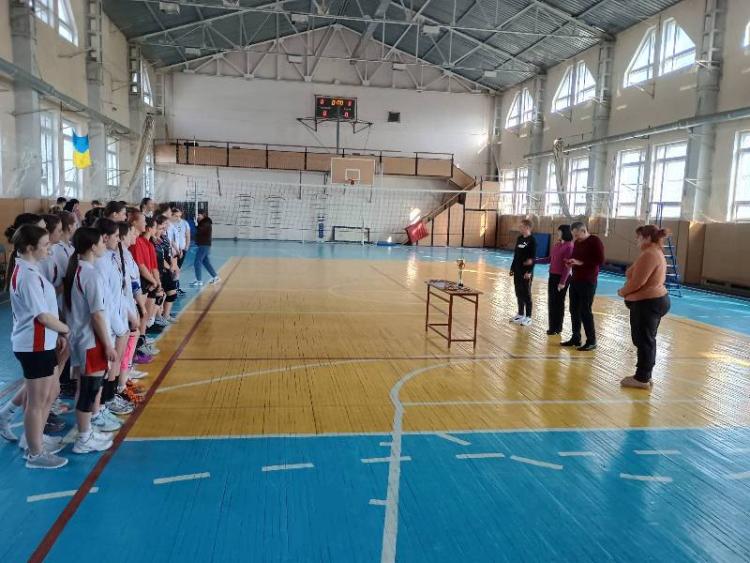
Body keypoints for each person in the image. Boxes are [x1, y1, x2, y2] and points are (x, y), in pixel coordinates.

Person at [7, 225, 70, 469]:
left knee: (49, 394)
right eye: (45, 245)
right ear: (30, 248)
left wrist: (57, 334)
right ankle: (34, 453)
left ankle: (36, 440)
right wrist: (65, 329)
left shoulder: (30, 270)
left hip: (43, 342)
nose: (49, 248)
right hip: (34, 346)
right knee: (37, 402)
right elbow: (42, 316)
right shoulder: (28, 277)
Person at [63, 227, 116, 454]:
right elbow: (97, 314)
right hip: (91, 340)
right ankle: (84, 439)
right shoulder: (90, 275)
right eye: (102, 242)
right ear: (93, 247)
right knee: (89, 389)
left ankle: (85, 431)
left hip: (81, 338)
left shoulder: (77, 270)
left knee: (85, 387)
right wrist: (109, 345)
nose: (104, 245)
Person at [617, 225, 671, 389]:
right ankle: (645, 375)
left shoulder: (650, 254)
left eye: (639, 237)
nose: (637, 240)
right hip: (652, 300)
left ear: (647, 238)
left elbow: (637, 282)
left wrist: (622, 292)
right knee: (646, 339)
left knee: (644, 340)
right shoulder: (653, 252)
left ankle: (642, 378)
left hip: (648, 302)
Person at [562, 222, 605, 352]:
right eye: (574, 235)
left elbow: (600, 260)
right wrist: (571, 262)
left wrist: (581, 263)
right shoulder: (577, 242)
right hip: (575, 280)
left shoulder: (595, 241)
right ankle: (576, 337)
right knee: (573, 309)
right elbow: (575, 257)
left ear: (583, 230)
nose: (575, 238)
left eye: (576, 235)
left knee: (585, 311)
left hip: (588, 281)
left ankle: (591, 341)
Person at [535, 225, 574, 336]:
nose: (557, 233)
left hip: (562, 278)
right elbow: (549, 259)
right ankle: (552, 327)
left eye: (559, 232)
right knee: (552, 302)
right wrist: (535, 261)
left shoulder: (569, 246)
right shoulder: (557, 245)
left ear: (564, 233)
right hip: (552, 276)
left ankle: (558, 327)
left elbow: (568, 266)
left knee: (558, 302)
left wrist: (562, 282)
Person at [509, 219, 536, 326]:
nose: (519, 228)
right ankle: (520, 314)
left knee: (526, 294)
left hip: (526, 272)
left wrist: (529, 271)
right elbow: (516, 255)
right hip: (517, 270)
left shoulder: (532, 240)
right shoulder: (519, 238)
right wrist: (512, 268)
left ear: (527, 227)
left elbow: (533, 258)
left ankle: (528, 317)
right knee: (518, 292)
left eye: (521, 226)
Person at [193, 210, 219, 286]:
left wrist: (196, 225)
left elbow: (200, 230)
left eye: (199, 215)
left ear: (203, 215)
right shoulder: (203, 222)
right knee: (205, 262)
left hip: (204, 245)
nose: (197, 216)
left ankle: (199, 280)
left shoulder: (206, 223)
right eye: (197, 215)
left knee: (197, 262)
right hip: (203, 244)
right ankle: (215, 277)